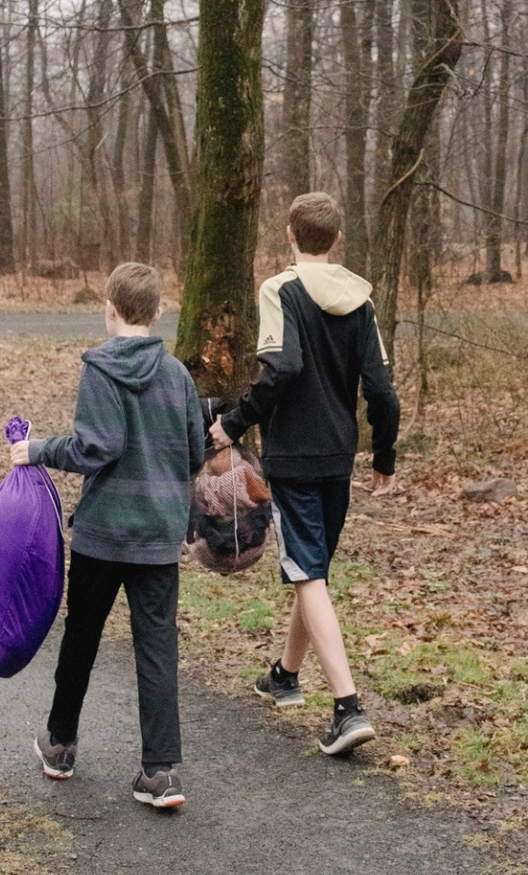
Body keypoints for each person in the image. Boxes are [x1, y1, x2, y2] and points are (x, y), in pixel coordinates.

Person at [209, 192, 400, 756]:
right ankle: (285, 676)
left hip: (292, 456)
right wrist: (383, 456)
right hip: (338, 456)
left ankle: (347, 708)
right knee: (309, 569)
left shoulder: (280, 289)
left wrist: (235, 422)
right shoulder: (360, 300)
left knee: (307, 572)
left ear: (291, 233)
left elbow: (283, 366)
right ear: (335, 239)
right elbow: (382, 392)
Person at [11, 262, 204, 809]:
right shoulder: (178, 376)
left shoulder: (100, 369)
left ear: (110, 309)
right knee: (157, 645)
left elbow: (96, 448)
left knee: (82, 636)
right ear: (159, 312)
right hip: (158, 535)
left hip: (102, 534)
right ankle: (161, 771)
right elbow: (194, 453)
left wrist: (38, 449)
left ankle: (61, 744)